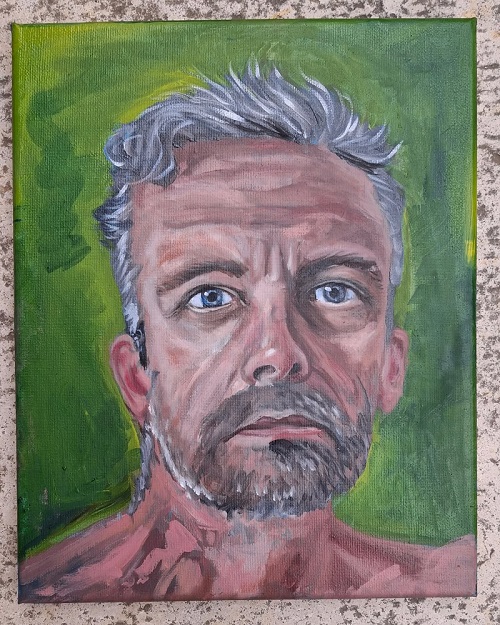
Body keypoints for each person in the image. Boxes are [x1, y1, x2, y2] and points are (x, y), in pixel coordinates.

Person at [19, 65, 475, 602]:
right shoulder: (41, 599)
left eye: (335, 291)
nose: (277, 355)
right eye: (209, 297)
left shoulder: (455, 590)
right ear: (137, 377)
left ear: (390, 367)